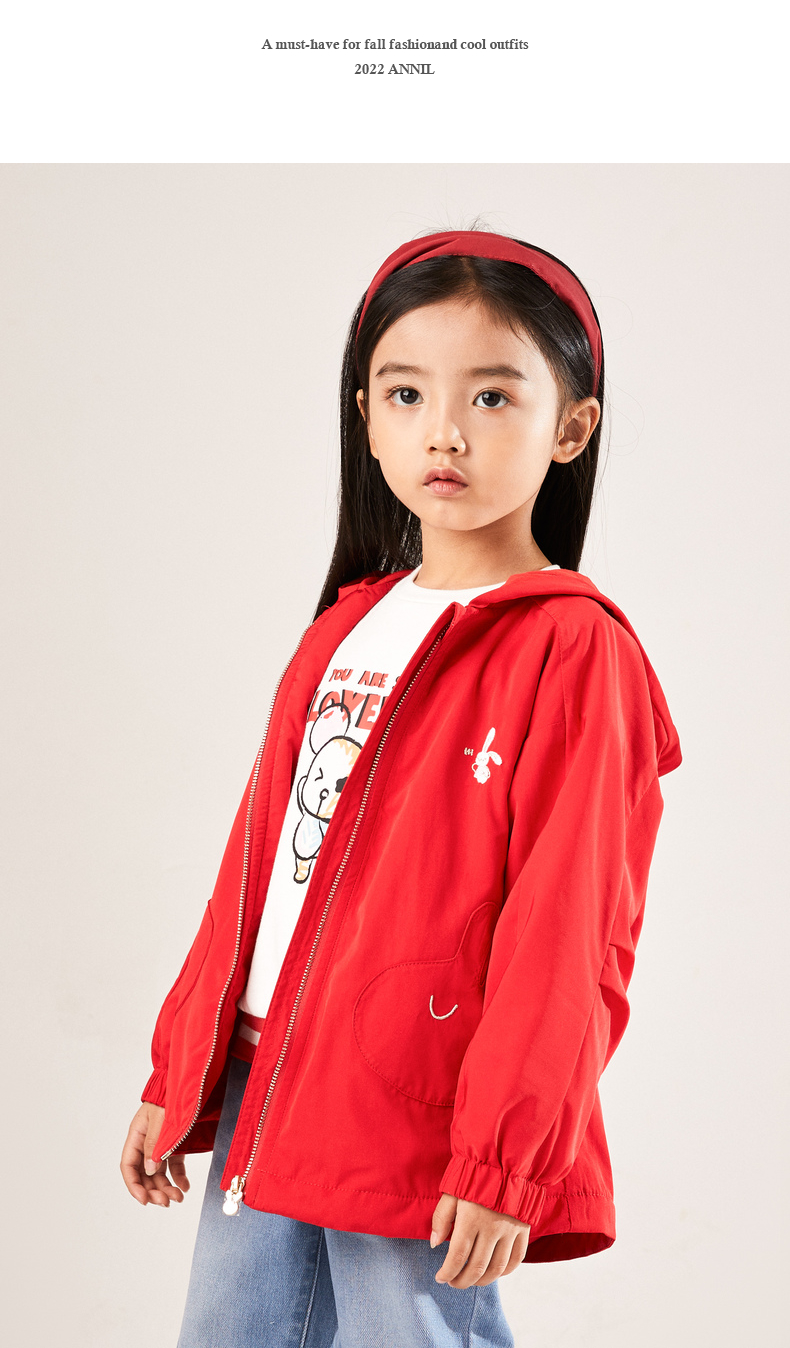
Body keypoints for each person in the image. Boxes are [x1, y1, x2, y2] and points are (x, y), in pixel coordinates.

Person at [120, 229, 682, 1347]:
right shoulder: (345, 628)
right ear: (366, 418)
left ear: (571, 427)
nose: (444, 430)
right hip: (267, 1073)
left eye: (492, 396)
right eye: (407, 393)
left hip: (421, 1107)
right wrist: (179, 1064)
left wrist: (504, 1157)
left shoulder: (573, 651)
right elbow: (258, 871)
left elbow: (569, 931)